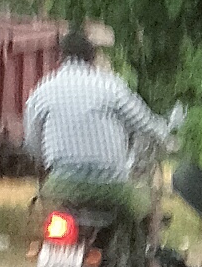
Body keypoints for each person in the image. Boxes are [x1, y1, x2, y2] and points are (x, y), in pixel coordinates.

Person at [22, 26, 178, 218]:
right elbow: (145, 123)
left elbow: (32, 144)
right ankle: (149, 237)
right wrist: (165, 134)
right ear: (92, 57)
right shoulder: (111, 87)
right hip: (111, 188)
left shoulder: (42, 91)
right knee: (147, 209)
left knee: (45, 219)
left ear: (60, 57)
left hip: (61, 186)